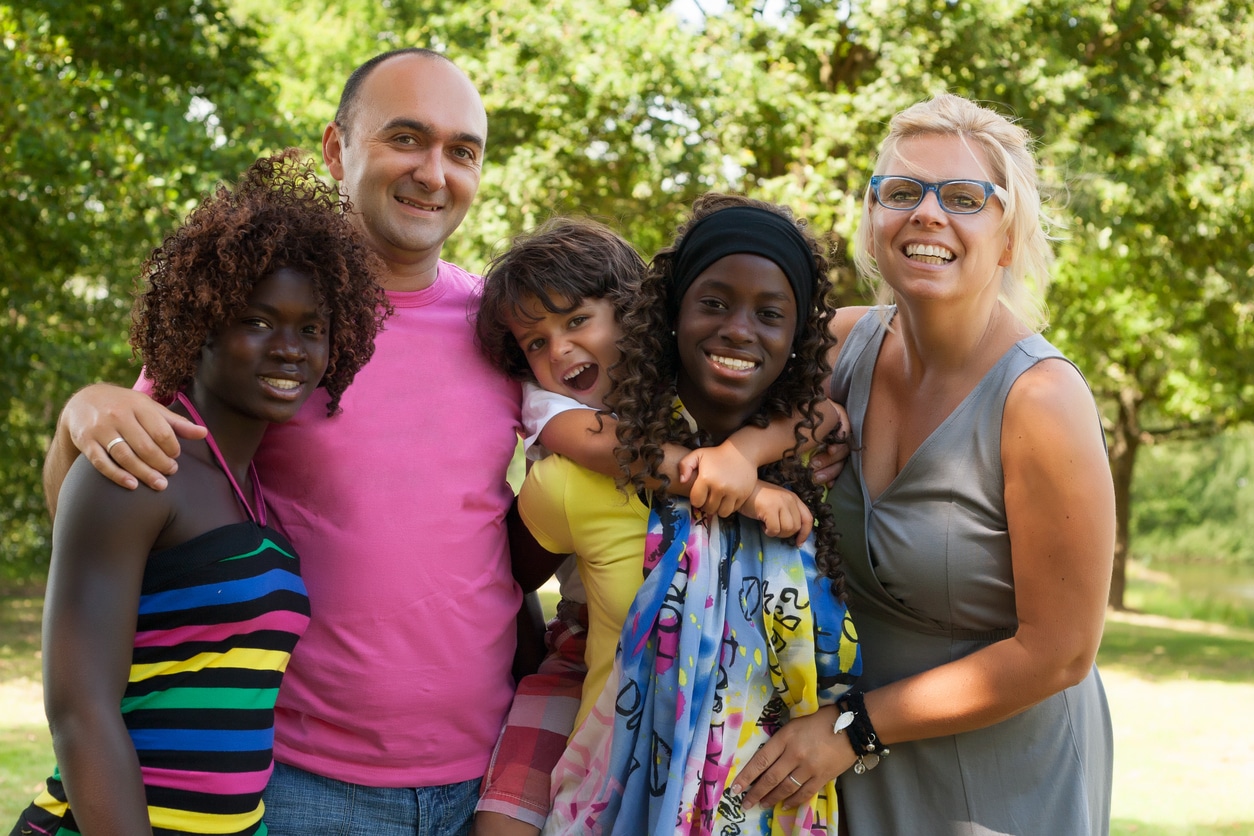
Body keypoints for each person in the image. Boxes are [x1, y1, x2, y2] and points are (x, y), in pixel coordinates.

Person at [40, 48, 536, 835]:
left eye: (462, 151)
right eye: (405, 138)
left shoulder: (507, 330)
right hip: (301, 783)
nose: (434, 172)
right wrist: (84, 409)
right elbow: (105, 496)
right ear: (339, 149)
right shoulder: (258, 327)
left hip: (481, 778)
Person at [742, 93, 1116, 834]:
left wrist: (852, 728)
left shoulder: (1039, 401)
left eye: (966, 197)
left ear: (1008, 238)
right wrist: (762, 466)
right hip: (850, 764)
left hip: (998, 776)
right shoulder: (841, 347)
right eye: (903, 191)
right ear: (874, 220)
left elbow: (1060, 653)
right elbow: (703, 405)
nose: (927, 213)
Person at [11, 150, 386, 836]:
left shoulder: (249, 491)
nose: (290, 349)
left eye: (312, 329)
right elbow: (79, 710)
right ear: (203, 321)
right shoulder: (139, 470)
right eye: (258, 320)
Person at [471, 217, 830, 836]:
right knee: (508, 815)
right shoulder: (554, 413)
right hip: (576, 641)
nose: (557, 351)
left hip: (727, 709)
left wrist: (741, 454)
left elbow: (821, 413)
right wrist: (739, 487)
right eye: (535, 341)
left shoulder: (689, 388)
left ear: (634, 314)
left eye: (578, 321)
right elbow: (621, 454)